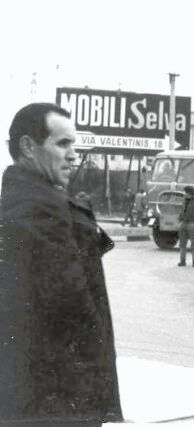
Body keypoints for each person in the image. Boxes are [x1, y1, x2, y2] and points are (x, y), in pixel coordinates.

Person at [0, 102, 123, 426]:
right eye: (63, 143)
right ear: (28, 147)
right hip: (60, 399)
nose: (73, 155)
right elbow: (74, 309)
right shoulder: (43, 209)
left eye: (75, 145)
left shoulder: (21, 200)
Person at [178, 185, 194, 267]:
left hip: (192, 223)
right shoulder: (184, 200)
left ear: (189, 193)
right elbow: (182, 210)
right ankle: (182, 261)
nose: (185, 194)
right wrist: (180, 219)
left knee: (193, 244)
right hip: (184, 222)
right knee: (182, 244)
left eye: (186, 192)